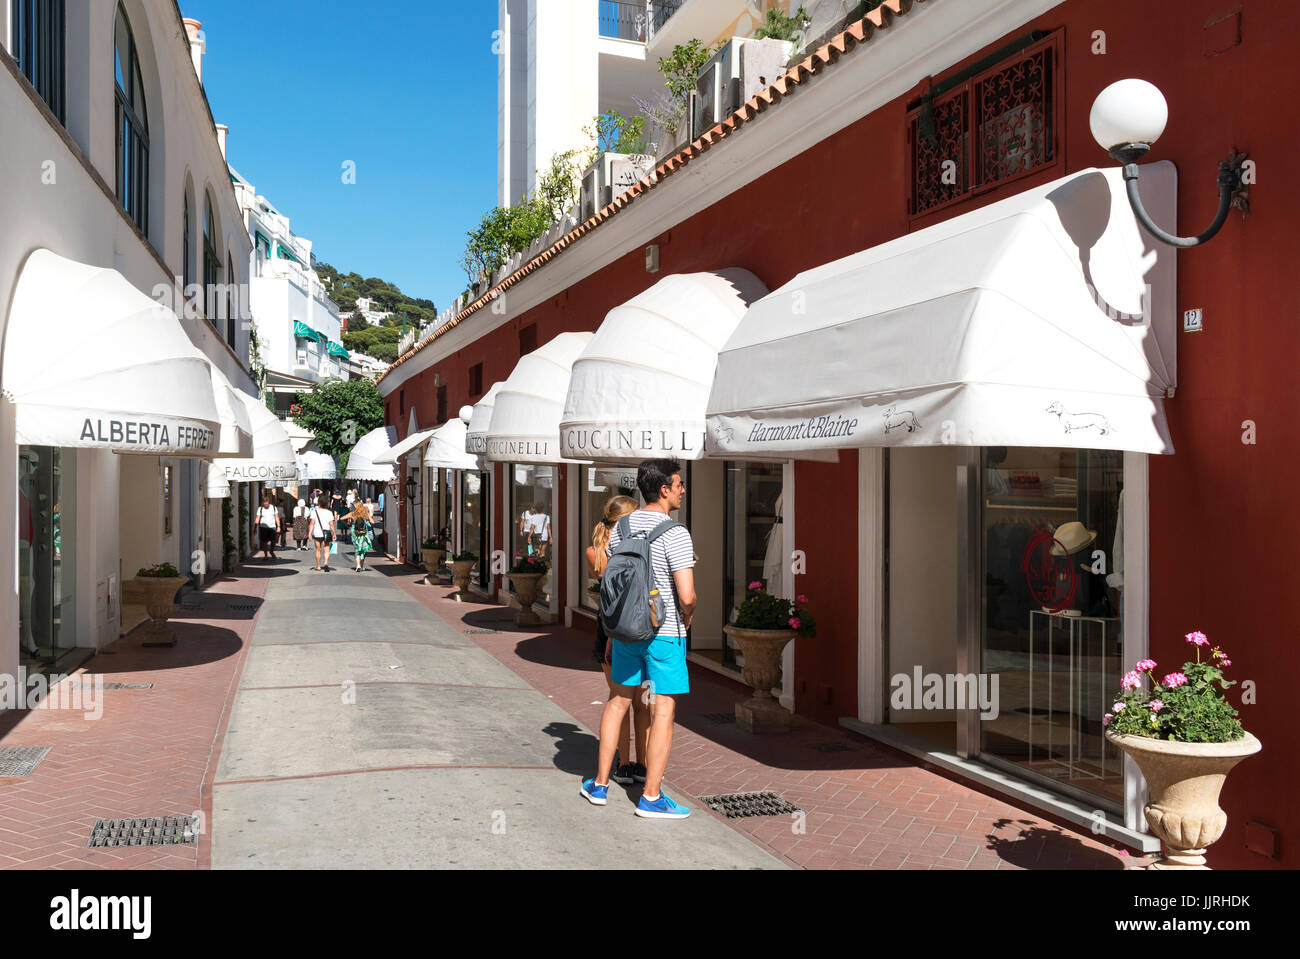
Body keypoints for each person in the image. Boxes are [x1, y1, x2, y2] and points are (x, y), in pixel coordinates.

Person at [581, 459, 696, 819]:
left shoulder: (622, 528)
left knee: (618, 701)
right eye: (679, 484)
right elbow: (687, 595)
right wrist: (688, 617)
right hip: (665, 634)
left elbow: (614, 582)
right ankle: (651, 796)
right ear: (663, 489)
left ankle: (599, 785)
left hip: (627, 630)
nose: (682, 490)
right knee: (663, 708)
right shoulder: (676, 533)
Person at [585, 495, 649, 786]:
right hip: (640, 625)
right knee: (642, 702)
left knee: (620, 699)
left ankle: (624, 765)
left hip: (608, 626)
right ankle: (642, 765)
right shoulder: (636, 547)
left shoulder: (595, 552)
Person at [308, 494, 337, 572]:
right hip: (326, 533)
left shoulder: (315, 512)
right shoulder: (329, 512)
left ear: (319, 503)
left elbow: (312, 523)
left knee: (318, 550)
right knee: (326, 549)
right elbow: (331, 524)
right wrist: (334, 533)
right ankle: (326, 562)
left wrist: (309, 533)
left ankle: (318, 566)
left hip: (317, 533)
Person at [349, 503, 375, 572]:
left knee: (357, 549)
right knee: (363, 550)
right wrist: (368, 517)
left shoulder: (353, 514)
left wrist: (347, 523)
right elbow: (373, 522)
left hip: (355, 534)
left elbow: (342, 518)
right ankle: (362, 565)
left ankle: (358, 566)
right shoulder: (365, 515)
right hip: (363, 533)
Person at [255, 494, 280, 561]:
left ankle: (271, 551)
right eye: (265, 503)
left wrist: (279, 527)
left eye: (267, 503)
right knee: (264, 542)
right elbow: (257, 518)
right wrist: (255, 528)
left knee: (273, 541)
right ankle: (265, 555)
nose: (266, 505)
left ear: (269, 502)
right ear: (263, 503)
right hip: (263, 527)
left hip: (272, 527)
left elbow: (277, 517)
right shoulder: (260, 509)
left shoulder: (273, 508)